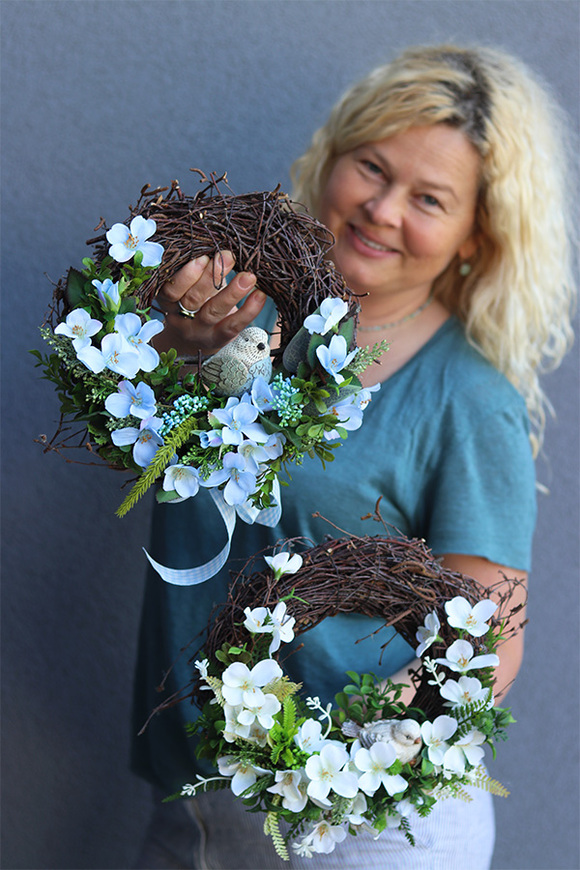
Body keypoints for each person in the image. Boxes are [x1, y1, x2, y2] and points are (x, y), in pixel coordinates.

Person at [131, 44, 575, 869]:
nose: (381, 208)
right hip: (197, 799)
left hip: (356, 828)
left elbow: (487, 632)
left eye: (430, 198)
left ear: (476, 236)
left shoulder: (467, 399)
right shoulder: (250, 320)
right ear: (332, 158)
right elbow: (162, 440)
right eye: (372, 166)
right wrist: (177, 346)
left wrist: (362, 760)